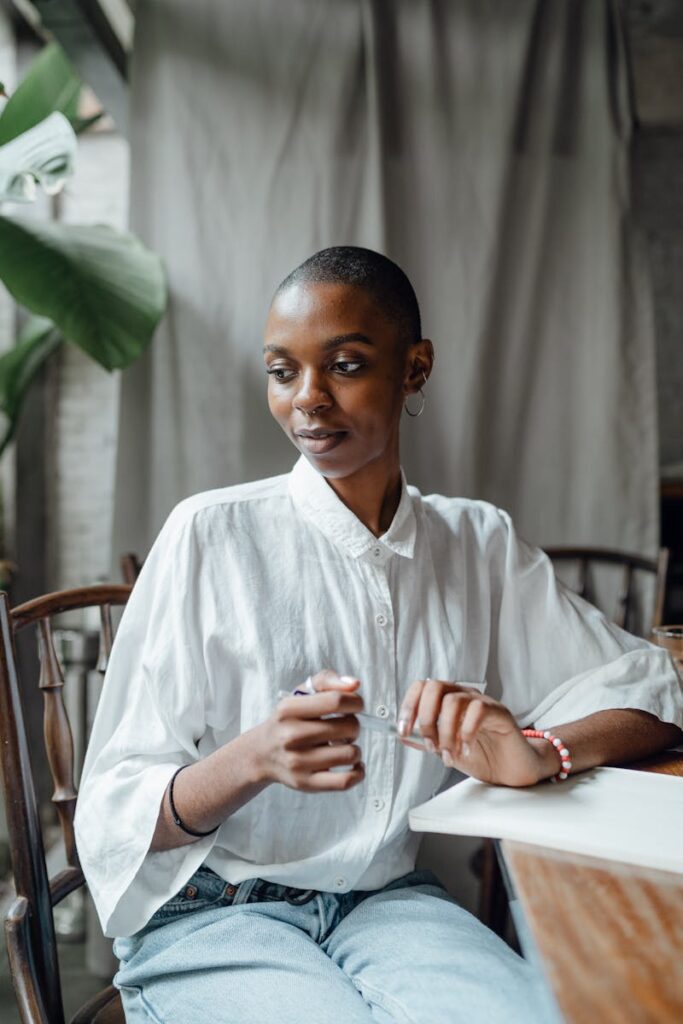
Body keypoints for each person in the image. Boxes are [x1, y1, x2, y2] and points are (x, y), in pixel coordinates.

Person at [75, 246, 683, 1024]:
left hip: (387, 905)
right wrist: (251, 758)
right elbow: (113, 813)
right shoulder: (210, 534)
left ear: (414, 367)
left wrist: (536, 753)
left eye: (346, 364)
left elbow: (650, 690)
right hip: (210, 915)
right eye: (281, 371)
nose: (308, 399)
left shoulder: (475, 544)